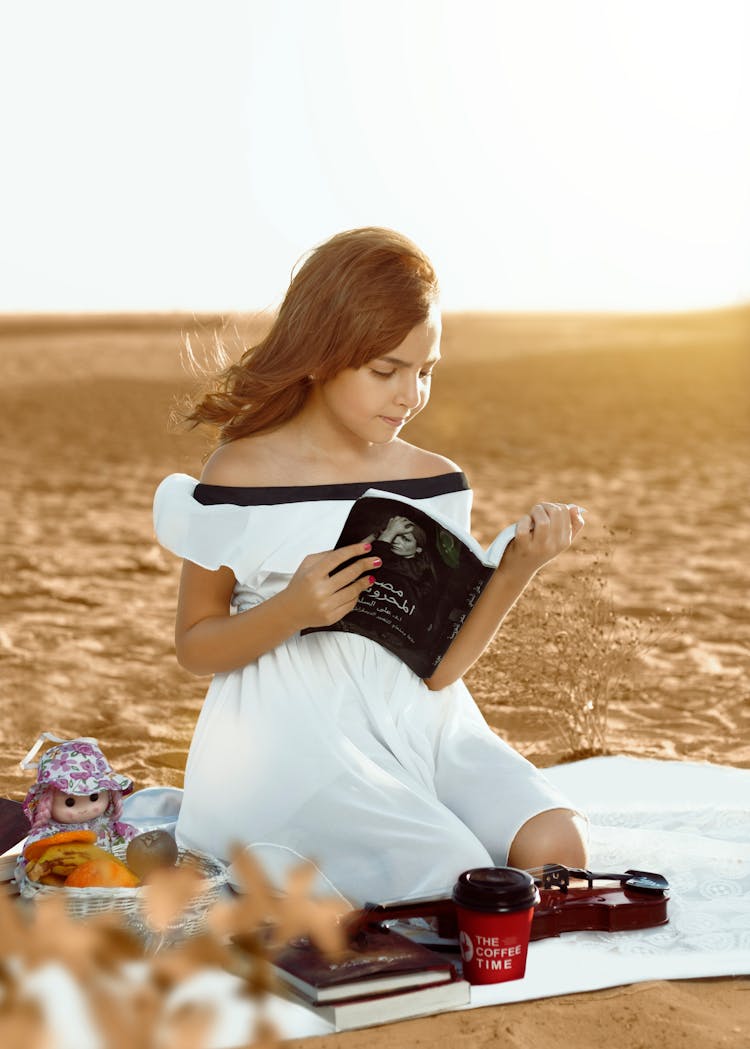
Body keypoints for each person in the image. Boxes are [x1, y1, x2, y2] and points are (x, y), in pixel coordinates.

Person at [153, 226, 588, 907]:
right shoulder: (241, 471)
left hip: (422, 723)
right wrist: (290, 611)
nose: (410, 393)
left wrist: (514, 571)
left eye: (427, 370)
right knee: (451, 875)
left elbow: (442, 670)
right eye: (387, 370)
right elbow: (194, 646)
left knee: (556, 847)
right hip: (292, 736)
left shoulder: (436, 479)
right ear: (322, 355)